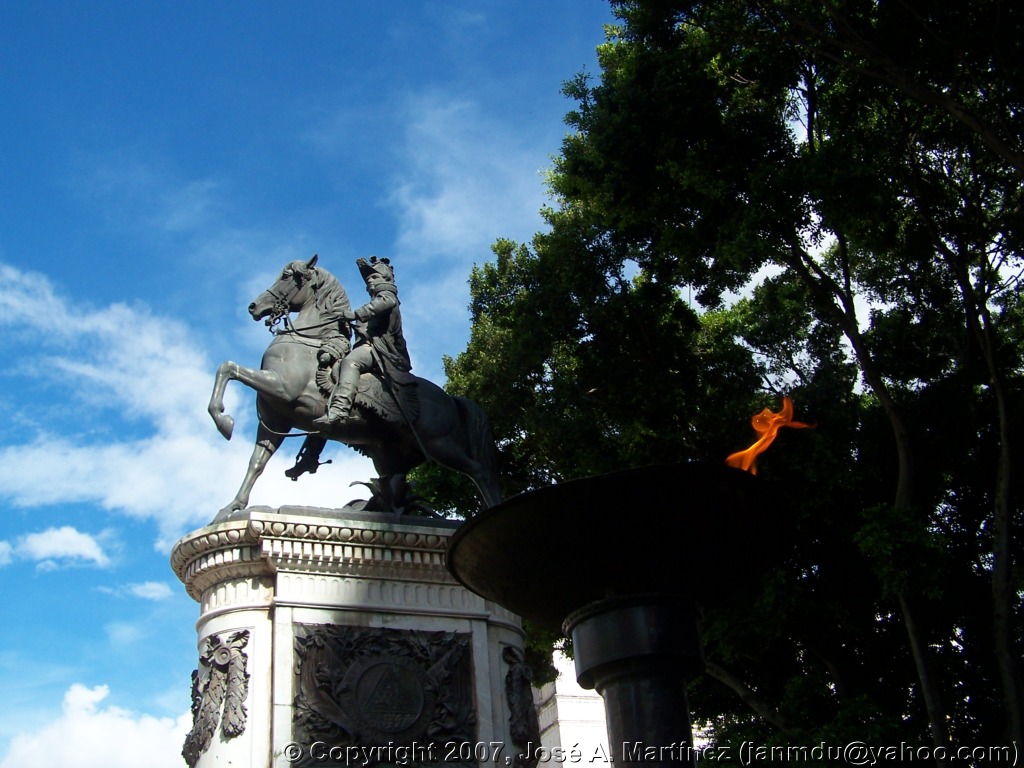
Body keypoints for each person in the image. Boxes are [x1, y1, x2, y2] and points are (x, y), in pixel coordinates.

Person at [312, 256, 412, 428]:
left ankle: (340, 408)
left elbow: (386, 302)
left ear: (385, 279)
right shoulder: (376, 300)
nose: (369, 281)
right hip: (369, 347)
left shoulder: (387, 295)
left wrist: (356, 314)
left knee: (351, 362)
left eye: (374, 277)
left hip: (379, 350)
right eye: (368, 279)